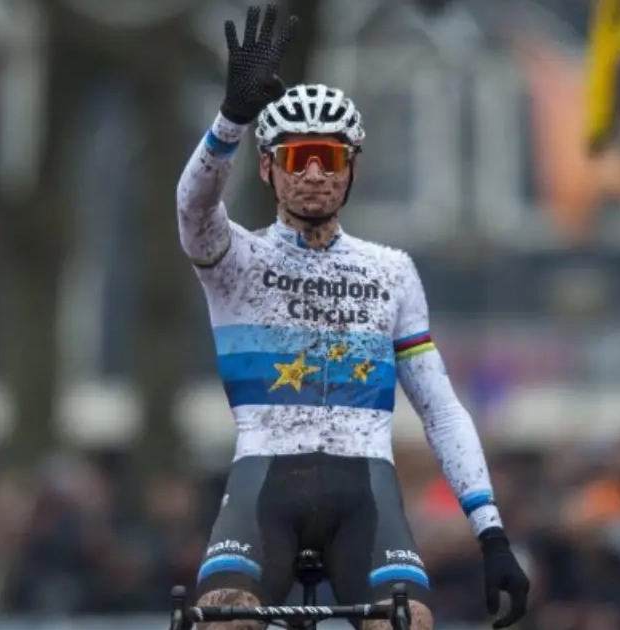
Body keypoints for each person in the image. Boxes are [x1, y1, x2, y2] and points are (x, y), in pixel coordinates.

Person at [175, 5, 530, 630]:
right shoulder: (236, 260)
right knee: (225, 621)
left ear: (352, 169)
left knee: (407, 623)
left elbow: (440, 408)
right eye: (298, 158)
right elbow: (194, 208)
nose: (314, 173)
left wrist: (491, 533)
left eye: (330, 158)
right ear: (268, 167)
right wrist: (230, 120)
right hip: (264, 484)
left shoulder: (391, 271)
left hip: (365, 489)